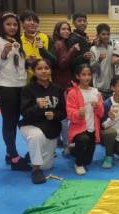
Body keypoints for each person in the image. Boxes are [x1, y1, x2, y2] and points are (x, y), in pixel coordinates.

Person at [0, 12, 30, 170]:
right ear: (2, 25)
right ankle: (12, 156)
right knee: (10, 122)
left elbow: (19, 66)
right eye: (8, 24)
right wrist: (4, 54)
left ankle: (10, 153)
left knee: (25, 118)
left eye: (15, 24)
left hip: (21, 86)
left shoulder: (17, 41)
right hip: (6, 87)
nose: (12, 27)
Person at [19, 59, 66, 184]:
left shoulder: (57, 89)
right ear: (33, 72)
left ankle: (31, 155)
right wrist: (37, 106)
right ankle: (35, 170)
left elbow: (63, 113)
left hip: (50, 128)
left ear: (50, 70)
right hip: (31, 125)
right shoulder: (27, 89)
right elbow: (24, 113)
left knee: (47, 166)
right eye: (39, 69)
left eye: (46, 68)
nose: (44, 71)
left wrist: (54, 115)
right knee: (36, 136)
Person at [66, 64, 104, 175]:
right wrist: (78, 113)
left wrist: (98, 107)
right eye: (83, 74)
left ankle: (73, 148)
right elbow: (70, 114)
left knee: (88, 161)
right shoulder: (73, 93)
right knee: (83, 140)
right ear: (77, 76)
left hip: (92, 129)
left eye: (89, 74)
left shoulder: (96, 92)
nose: (86, 77)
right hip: (79, 130)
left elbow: (101, 114)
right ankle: (77, 163)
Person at [52, 21, 80, 151]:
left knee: (60, 114)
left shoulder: (61, 43)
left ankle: (58, 140)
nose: (67, 31)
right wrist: (74, 50)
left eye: (68, 29)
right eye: (63, 29)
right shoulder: (59, 44)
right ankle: (66, 144)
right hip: (62, 84)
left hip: (60, 83)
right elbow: (62, 64)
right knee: (64, 116)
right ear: (58, 31)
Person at [19, 10, 55, 80]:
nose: (32, 23)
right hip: (25, 80)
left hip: (45, 79)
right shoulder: (18, 41)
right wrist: (27, 61)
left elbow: (53, 61)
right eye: (29, 20)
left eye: (35, 21)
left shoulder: (47, 38)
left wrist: (42, 49)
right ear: (22, 24)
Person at [90, 23, 114, 100]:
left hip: (111, 86)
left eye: (108, 34)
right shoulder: (93, 49)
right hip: (98, 87)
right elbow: (92, 69)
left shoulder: (112, 49)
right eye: (103, 34)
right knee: (99, 111)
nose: (106, 36)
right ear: (98, 35)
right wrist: (99, 60)